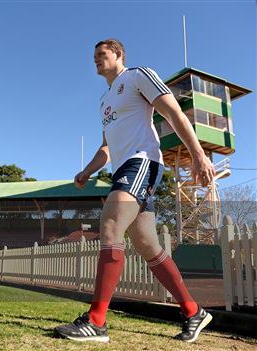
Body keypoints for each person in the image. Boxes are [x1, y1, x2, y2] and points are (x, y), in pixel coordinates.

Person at [54, 39, 216, 343]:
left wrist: (198, 155)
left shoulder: (138, 76)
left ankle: (97, 321)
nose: (96, 60)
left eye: (102, 54)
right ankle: (194, 311)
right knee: (147, 245)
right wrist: (87, 170)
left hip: (142, 162)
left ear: (119, 55)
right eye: (94, 57)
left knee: (111, 224)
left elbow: (173, 114)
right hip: (124, 170)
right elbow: (106, 147)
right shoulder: (104, 101)